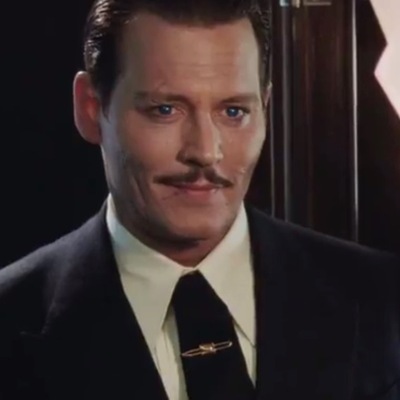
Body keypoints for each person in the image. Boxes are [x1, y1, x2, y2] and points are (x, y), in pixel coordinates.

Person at [0, 0, 399, 399]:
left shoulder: (383, 304)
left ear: (265, 107)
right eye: (165, 110)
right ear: (91, 108)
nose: (206, 152)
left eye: (233, 112)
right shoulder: (12, 323)